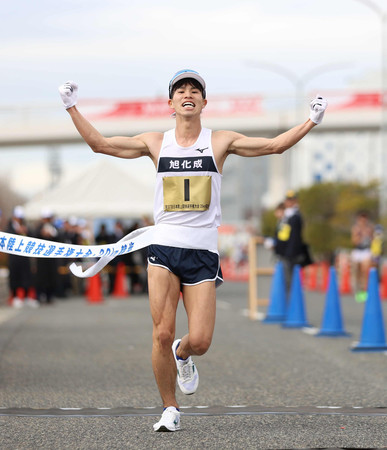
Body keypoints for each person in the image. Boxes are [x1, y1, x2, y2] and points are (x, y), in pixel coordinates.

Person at [59, 69, 327, 432]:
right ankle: (170, 408)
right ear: (171, 103)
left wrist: (311, 120)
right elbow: (101, 145)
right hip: (164, 249)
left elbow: (273, 145)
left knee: (199, 340)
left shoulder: (220, 141)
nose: (188, 94)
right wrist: (72, 107)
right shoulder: (156, 142)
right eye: (180, 90)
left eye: (195, 90)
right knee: (161, 333)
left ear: (203, 102)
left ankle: (183, 355)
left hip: (202, 253)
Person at [275, 191, 311, 293]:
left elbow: (294, 238)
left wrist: (289, 254)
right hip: (284, 252)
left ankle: (290, 303)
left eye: (291, 200)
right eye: (287, 200)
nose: (289, 202)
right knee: (285, 279)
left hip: (290, 254)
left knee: (290, 280)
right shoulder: (286, 216)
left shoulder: (295, 216)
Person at [6, 206, 38, 308]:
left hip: (24, 257)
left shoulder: (26, 227)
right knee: (14, 277)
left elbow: (33, 236)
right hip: (14, 257)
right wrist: (16, 232)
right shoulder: (9, 227)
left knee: (27, 277)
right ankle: (15, 297)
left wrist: (26, 231)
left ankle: (27, 297)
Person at [351, 211, 374, 302]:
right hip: (357, 251)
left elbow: (373, 240)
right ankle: (358, 290)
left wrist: (368, 235)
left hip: (366, 251)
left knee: (365, 270)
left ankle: (364, 292)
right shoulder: (355, 228)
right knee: (357, 271)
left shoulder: (370, 228)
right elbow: (354, 241)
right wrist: (360, 235)